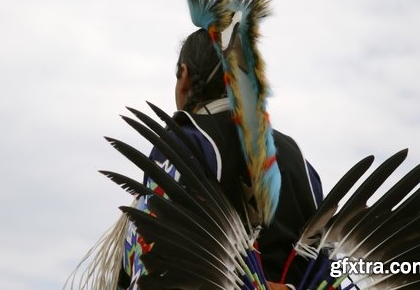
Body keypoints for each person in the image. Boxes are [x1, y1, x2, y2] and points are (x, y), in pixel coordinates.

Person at [117, 28, 323, 290]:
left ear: (185, 76)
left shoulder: (184, 141)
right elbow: (323, 262)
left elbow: (156, 261)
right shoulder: (299, 160)